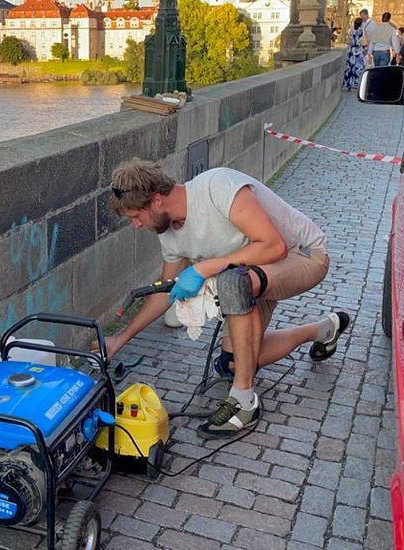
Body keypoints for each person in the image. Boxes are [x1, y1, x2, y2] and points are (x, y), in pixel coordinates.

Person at [105, 159, 351, 439]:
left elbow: (274, 246)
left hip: (303, 255)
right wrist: (119, 341)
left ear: (157, 200)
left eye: (135, 216)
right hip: (254, 273)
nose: (136, 225)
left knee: (231, 282)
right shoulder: (170, 237)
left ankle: (245, 402)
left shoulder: (216, 186)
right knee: (234, 362)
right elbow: (166, 293)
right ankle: (324, 329)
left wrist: (202, 268)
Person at [343, 17, 367, 90]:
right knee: (358, 68)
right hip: (359, 51)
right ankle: (356, 85)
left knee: (350, 68)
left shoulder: (351, 31)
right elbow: (364, 42)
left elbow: (348, 42)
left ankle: (348, 84)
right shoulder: (362, 30)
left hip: (352, 51)